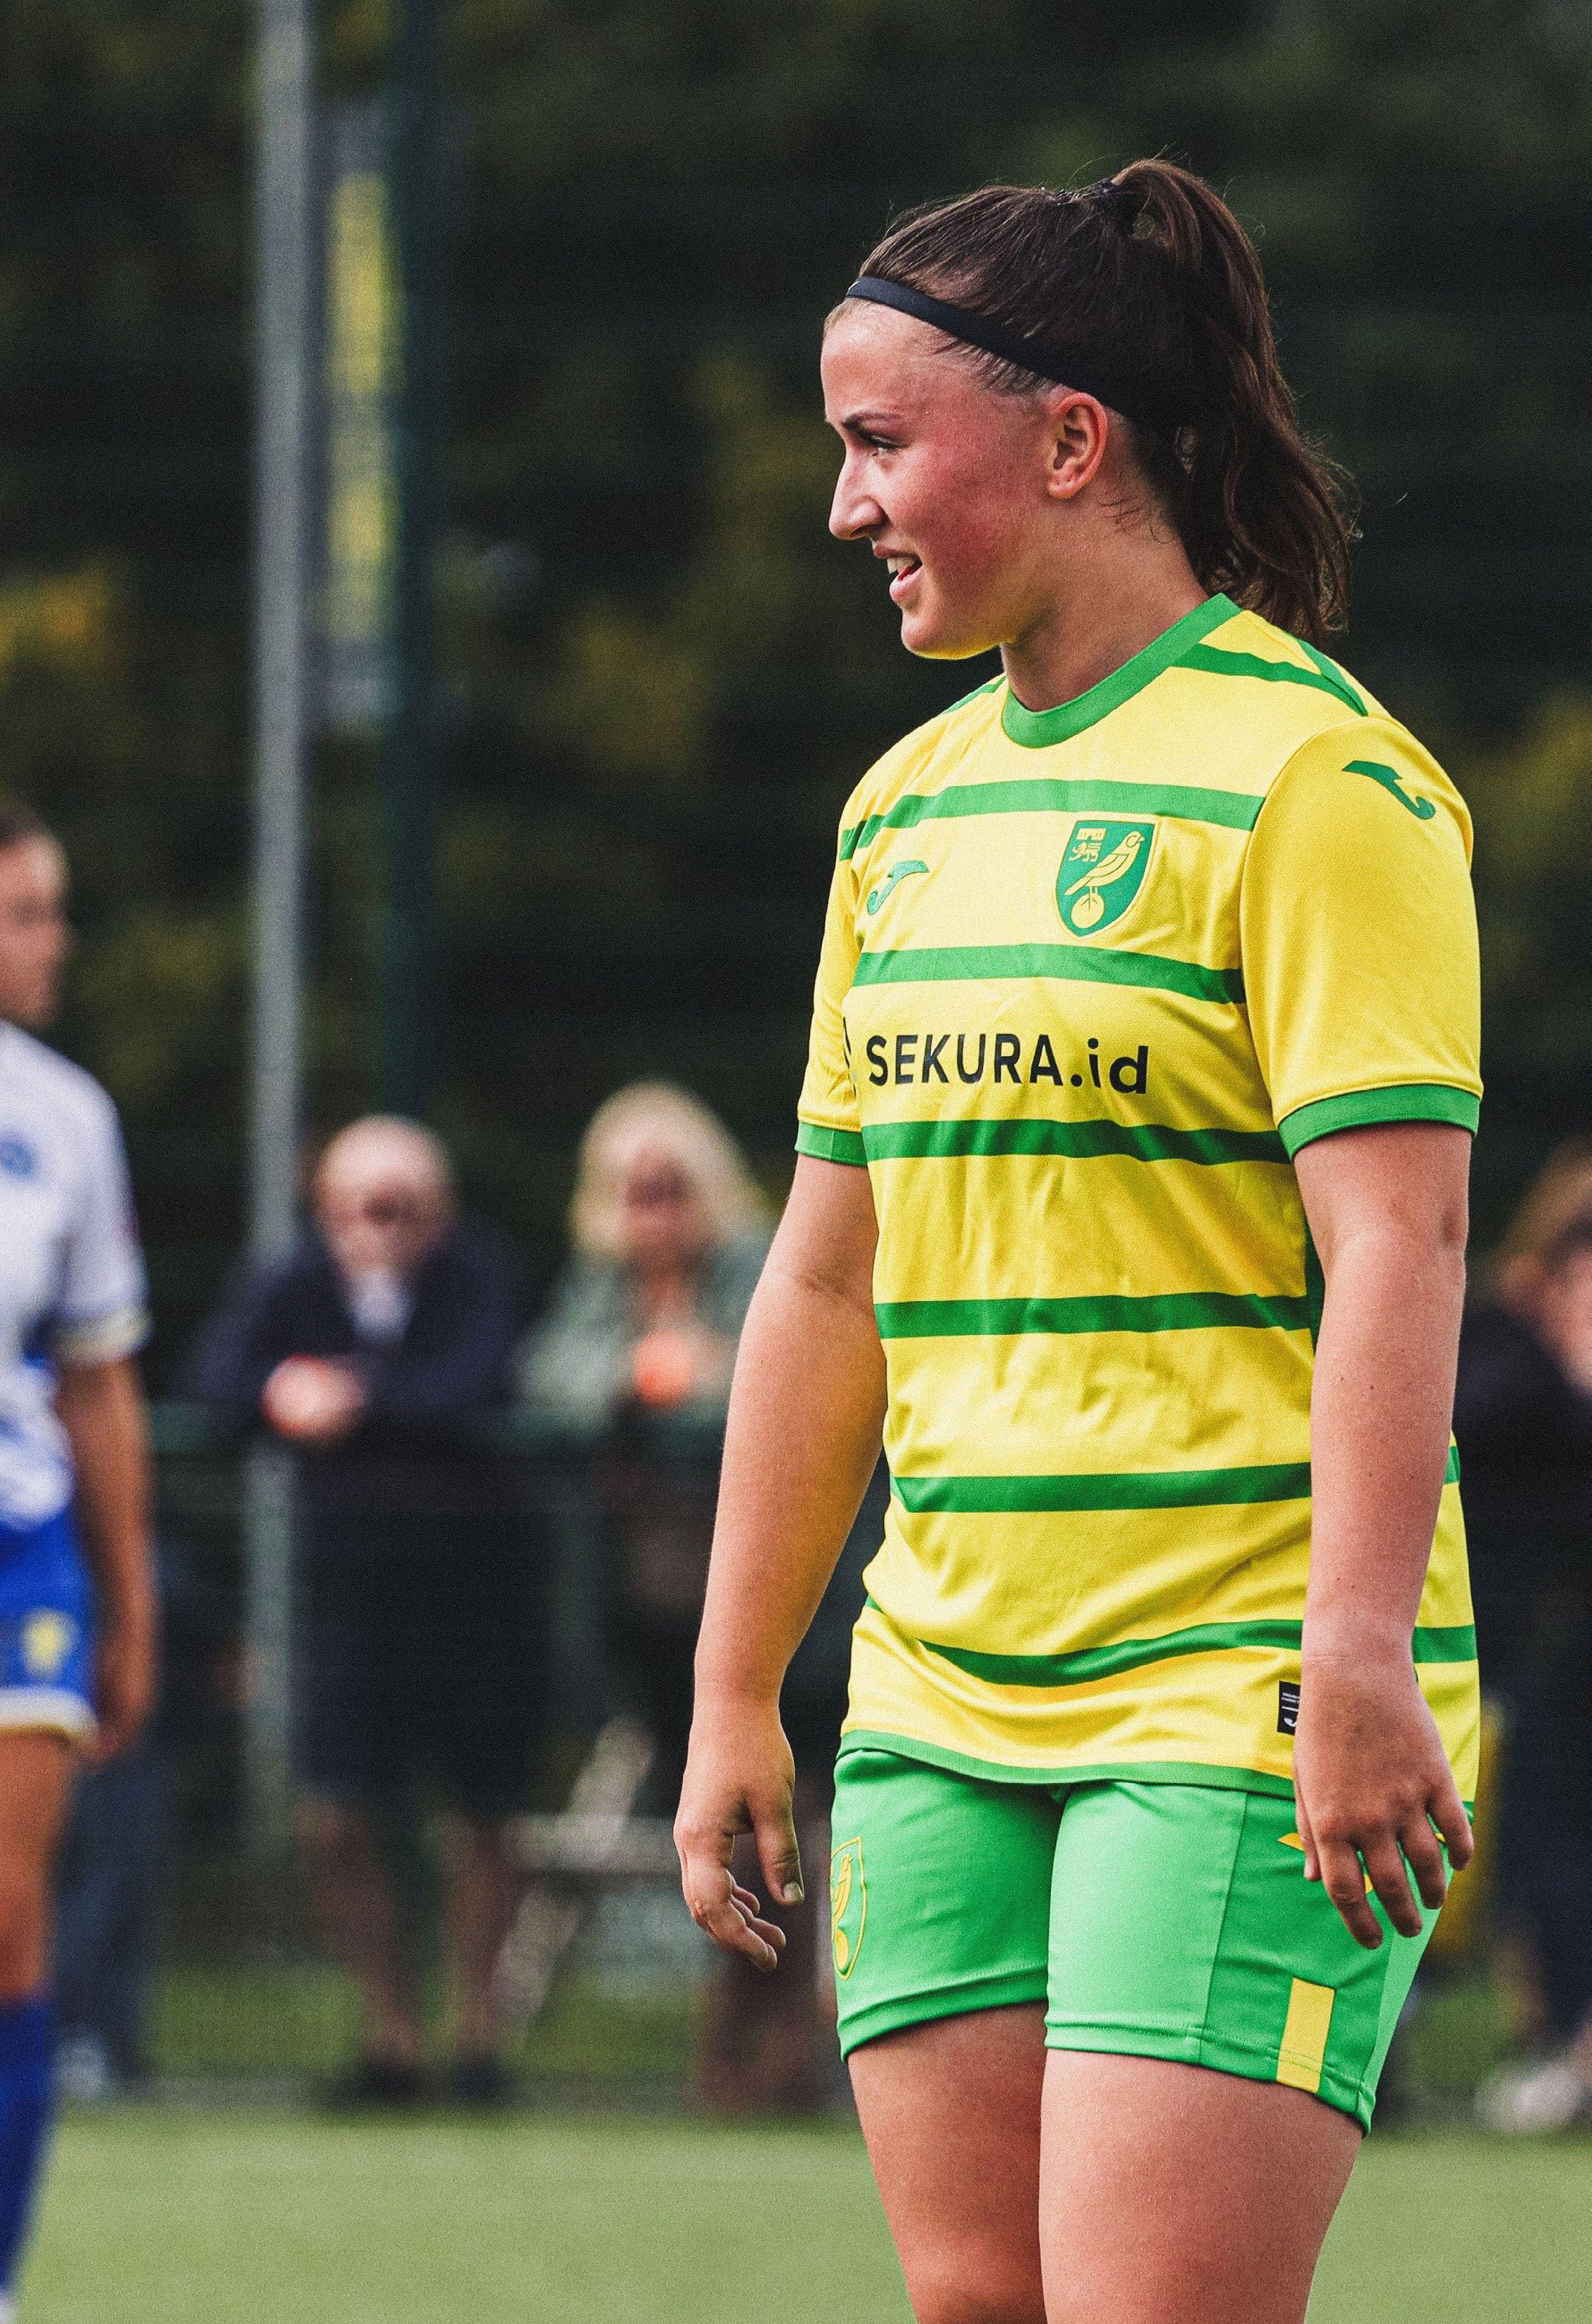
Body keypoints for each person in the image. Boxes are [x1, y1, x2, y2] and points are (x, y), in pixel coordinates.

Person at [675, 161, 1482, 2323]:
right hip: (940, 1688)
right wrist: (737, 1687)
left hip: (1236, 1688)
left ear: (1067, 441)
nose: (845, 505)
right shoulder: (900, 813)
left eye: (879, 442)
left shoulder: (1321, 783)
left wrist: (1358, 1655)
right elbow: (824, 1280)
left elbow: (1402, 1245)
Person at [522, 1083, 876, 2108]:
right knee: (722, 1826)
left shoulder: (765, 1268)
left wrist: (705, 1379)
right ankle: (739, 2043)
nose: (655, 1213)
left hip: (793, 1611)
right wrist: (636, 1377)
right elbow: (545, 1381)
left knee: (788, 1825)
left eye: (671, 1188)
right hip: (658, 1623)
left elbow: (806, 1377)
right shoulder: (600, 1291)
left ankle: (782, 2046)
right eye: (635, 1192)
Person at [188, 1116, 533, 2108]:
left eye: (401, 1209)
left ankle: (478, 2038)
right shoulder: (294, 1280)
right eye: (360, 1210)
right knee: (335, 1814)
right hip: (348, 1598)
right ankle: (392, 2037)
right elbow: (214, 1381)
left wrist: (351, 1399)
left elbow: (476, 1382)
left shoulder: (480, 1274)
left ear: (440, 1212)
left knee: (486, 1814)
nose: (379, 1229)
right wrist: (278, 1390)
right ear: (328, 1212)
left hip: (477, 1594)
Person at [0, 797, 156, 2323]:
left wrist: (127, 1597)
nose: (55, 941)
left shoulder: (64, 1116)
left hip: (5, 1548)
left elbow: (96, 1379)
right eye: (25, 911)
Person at [1454, 1148, 1592, 2132]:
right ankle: (1556, 2039)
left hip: (1560, 1654)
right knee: (1527, 1850)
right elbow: (1466, 1430)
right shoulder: (1500, 1343)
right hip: (1492, 1648)